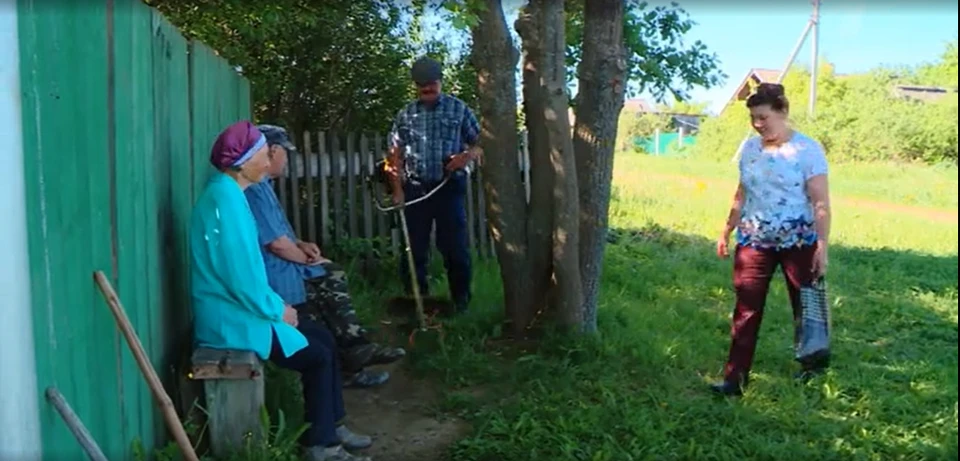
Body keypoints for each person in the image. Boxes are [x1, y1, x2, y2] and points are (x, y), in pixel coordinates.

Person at [189, 120, 374, 461]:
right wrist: (279, 311)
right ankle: (321, 445)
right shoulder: (225, 202)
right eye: (263, 153)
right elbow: (240, 279)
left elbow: (244, 275)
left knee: (323, 339)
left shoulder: (229, 193)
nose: (270, 159)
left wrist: (275, 308)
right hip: (230, 322)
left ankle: (330, 426)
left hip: (244, 310)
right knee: (316, 356)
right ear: (244, 160)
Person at [244, 124, 406, 389]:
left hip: (282, 264)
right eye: (285, 152)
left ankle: (355, 355)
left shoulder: (265, 185)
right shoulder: (254, 190)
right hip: (274, 273)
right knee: (329, 278)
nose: (287, 158)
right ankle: (355, 355)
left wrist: (302, 244)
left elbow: (282, 235)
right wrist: (306, 259)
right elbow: (276, 245)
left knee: (329, 278)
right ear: (272, 151)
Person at [712, 83, 832, 396]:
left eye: (763, 117)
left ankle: (812, 370)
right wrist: (727, 228)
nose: (758, 124)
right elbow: (743, 191)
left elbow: (820, 202)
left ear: (783, 112)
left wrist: (822, 246)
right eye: (753, 118)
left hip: (799, 242)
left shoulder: (808, 150)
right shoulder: (750, 148)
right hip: (754, 241)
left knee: (805, 306)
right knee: (746, 308)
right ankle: (734, 379)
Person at [385, 56, 483, 313]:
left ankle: (461, 303)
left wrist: (464, 157)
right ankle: (417, 302)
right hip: (416, 189)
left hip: (449, 188)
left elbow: (480, 144)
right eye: (421, 86)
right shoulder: (406, 114)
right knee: (414, 249)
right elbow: (394, 155)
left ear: (440, 82)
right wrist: (397, 191)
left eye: (431, 84)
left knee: (454, 248)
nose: (427, 90)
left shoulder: (459, 109)